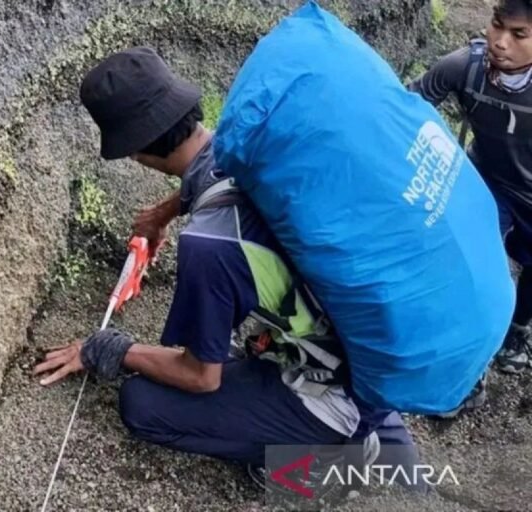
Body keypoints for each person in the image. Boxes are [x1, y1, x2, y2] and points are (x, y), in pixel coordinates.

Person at [33, 46, 424, 496]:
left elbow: (202, 376)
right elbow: (210, 179)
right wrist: (162, 214)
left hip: (339, 390)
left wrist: (110, 348)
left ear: (135, 152)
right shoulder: (249, 139)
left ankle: (333, 461)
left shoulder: (208, 246)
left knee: (141, 404)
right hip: (377, 342)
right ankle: (364, 419)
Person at [408, 0, 532, 376]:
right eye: (497, 26)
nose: (500, 41)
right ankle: (468, 364)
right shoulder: (466, 67)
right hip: (486, 183)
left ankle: (517, 329)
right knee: (473, 263)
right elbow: (402, 107)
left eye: (519, 34)